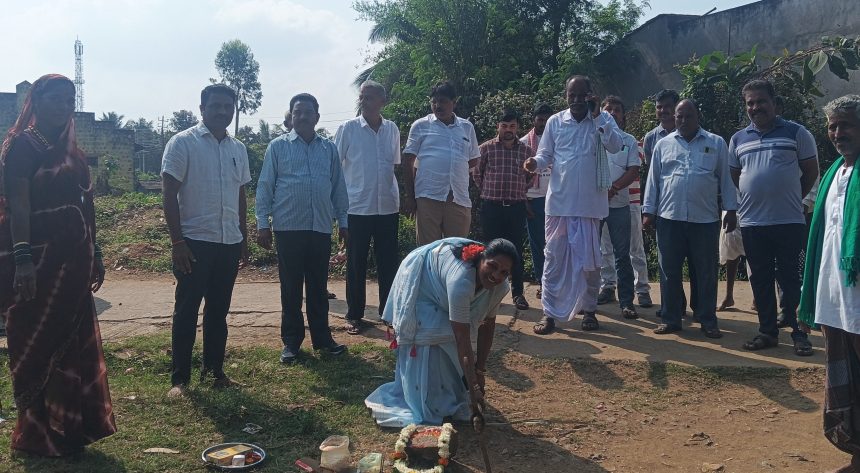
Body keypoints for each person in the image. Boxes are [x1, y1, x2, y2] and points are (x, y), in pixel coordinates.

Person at [0, 74, 116, 455]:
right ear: (36, 101)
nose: (64, 106)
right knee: (34, 342)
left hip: (74, 262)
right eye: (55, 99)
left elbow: (86, 204)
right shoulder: (22, 147)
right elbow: (18, 206)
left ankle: (70, 430)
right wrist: (22, 260)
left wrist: (95, 252)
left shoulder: (74, 151)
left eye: (70, 99)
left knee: (72, 346)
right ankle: (36, 434)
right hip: (38, 261)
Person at [365, 238, 516, 427]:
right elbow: (462, 338)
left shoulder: (500, 287)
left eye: (504, 272)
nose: (496, 275)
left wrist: (480, 371)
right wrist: (474, 386)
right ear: (481, 259)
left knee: (450, 339)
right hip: (423, 284)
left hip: (443, 286)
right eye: (492, 266)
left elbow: (488, 327)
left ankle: (449, 397)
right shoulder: (461, 280)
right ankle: (426, 399)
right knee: (434, 335)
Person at [162, 83, 251, 397]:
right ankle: (180, 380)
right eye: (216, 106)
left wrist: (243, 236)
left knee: (218, 312)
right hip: (194, 242)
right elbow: (169, 195)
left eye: (228, 107)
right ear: (202, 109)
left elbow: (240, 194)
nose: (222, 112)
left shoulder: (237, 149)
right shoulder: (182, 144)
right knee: (186, 311)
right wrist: (177, 243)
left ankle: (214, 372)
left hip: (228, 242)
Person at [525, 75, 624, 335]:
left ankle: (589, 311)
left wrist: (599, 116)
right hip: (559, 204)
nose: (577, 101)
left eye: (583, 95)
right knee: (553, 260)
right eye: (573, 96)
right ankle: (549, 314)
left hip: (591, 206)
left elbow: (615, 146)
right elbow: (545, 154)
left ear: (591, 95)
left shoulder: (603, 119)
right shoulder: (556, 122)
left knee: (590, 264)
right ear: (566, 96)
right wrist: (535, 163)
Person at [256, 93, 349, 364]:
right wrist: (263, 224)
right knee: (291, 288)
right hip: (288, 228)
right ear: (291, 116)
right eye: (297, 112)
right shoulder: (278, 147)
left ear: (317, 118)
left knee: (318, 288)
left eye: (308, 112)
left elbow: (338, 188)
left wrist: (343, 222)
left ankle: (322, 340)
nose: (302, 116)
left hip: (320, 227)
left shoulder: (328, 149)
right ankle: (292, 343)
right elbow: (265, 187)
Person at [729, 80, 819, 356]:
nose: (756, 107)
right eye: (750, 103)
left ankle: (798, 332)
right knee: (760, 279)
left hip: (789, 221)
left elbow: (811, 171)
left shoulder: (796, 133)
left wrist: (792, 199)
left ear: (774, 103)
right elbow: (735, 175)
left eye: (761, 101)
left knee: (791, 279)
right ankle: (767, 332)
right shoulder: (738, 139)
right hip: (754, 223)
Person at [799, 94, 860, 473]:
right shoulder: (835, 172)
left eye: (847, 124)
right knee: (846, 372)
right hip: (834, 292)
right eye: (833, 126)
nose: (838, 133)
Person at [642, 99, 737, 339]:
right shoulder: (663, 145)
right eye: (679, 117)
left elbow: (725, 179)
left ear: (698, 116)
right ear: (674, 118)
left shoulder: (716, 143)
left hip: (704, 220)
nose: (683, 121)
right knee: (669, 271)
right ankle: (671, 319)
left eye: (688, 116)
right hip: (669, 218)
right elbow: (653, 181)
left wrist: (731, 210)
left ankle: (707, 319)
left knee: (705, 271)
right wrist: (648, 212)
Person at [334, 81, 401, 335]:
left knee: (388, 263)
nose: (365, 101)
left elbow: (392, 165)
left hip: (387, 207)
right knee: (355, 263)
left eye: (371, 97)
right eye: (363, 97)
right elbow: (336, 169)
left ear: (383, 101)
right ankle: (354, 315)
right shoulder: (348, 129)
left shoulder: (391, 129)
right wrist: (338, 209)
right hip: (357, 208)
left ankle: (389, 313)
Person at [402, 81, 480, 245]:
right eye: (434, 101)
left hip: (458, 197)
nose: (438, 105)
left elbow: (473, 159)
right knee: (428, 251)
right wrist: (410, 196)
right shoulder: (420, 126)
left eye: (443, 101)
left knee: (458, 251)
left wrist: (454, 168)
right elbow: (408, 160)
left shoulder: (466, 127)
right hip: (428, 196)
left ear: (454, 102)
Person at [472, 109, 533, 311]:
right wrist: (489, 191)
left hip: (515, 208)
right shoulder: (486, 149)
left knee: (515, 251)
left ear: (517, 128)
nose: (508, 130)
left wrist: (518, 193)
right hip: (492, 207)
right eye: (504, 126)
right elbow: (477, 175)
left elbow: (530, 178)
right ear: (498, 126)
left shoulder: (526, 151)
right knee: (489, 250)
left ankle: (518, 294)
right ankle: (485, 292)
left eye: (512, 126)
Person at [595, 96, 640, 319]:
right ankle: (597, 295)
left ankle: (626, 302)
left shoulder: (628, 140)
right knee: (594, 252)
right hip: (593, 205)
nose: (612, 112)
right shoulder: (592, 136)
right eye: (607, 109)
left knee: (622, 255)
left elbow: (633, 170)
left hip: (619, 204)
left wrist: (613, 188)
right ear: (601, 112)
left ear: (623, 116)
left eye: (616, 110)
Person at [522, 103, 554, 300]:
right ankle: (542, 282)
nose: (543, 123)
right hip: (533, 199)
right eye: (540, 119)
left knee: (557, 243)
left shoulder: (559, 139)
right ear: (534, 120)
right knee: (537, 243)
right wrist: (524, 201)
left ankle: (556, 282)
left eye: (547, 119)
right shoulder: (525, 143)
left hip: (556, 199)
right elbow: (519, 177)